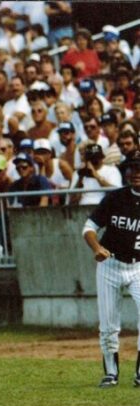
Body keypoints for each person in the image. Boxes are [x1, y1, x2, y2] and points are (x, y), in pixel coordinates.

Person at [81, 151, 140, 387]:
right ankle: (111, 373)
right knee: (108, 324)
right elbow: (88, 227)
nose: (136, 173)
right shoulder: (115, 198)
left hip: (138, 266)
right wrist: (96, 247)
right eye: (132, 168)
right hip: (110, 264)